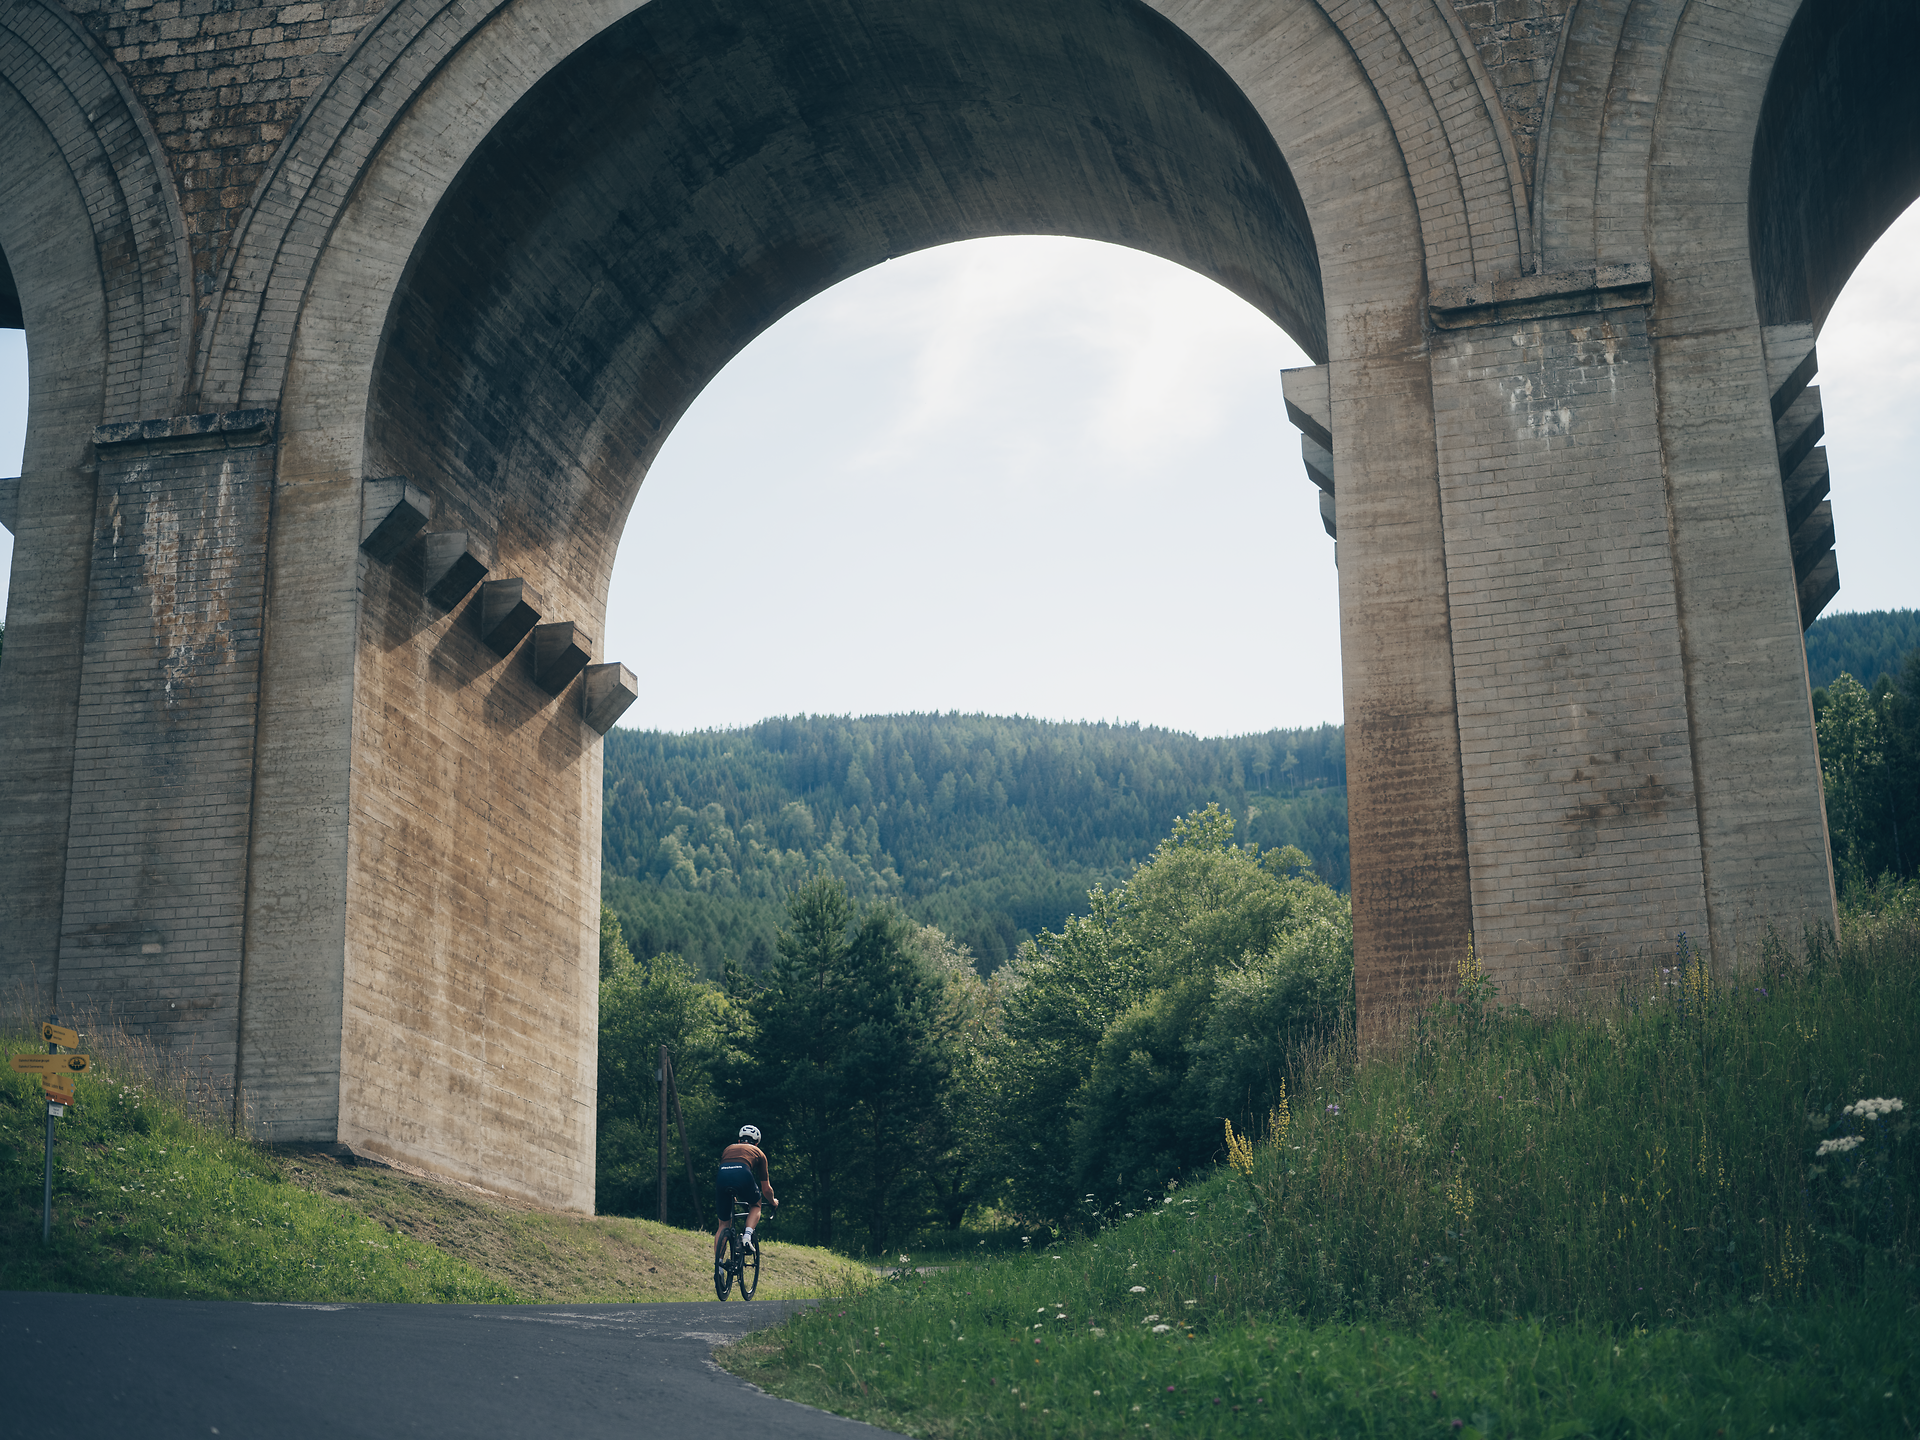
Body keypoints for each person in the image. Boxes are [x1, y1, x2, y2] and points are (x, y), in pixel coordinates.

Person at [714, 1124, 778, 1258]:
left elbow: (729, 1173)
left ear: (739, 1141)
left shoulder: (728, 1149)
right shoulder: (759, 1153)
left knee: (723, 1225)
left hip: (722, 1176)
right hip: (743, 1174)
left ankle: (718, 1267)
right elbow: (766, 1189)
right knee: (755, 1205)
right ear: (756, 1143)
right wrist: (772, 1201)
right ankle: (747, 1237)